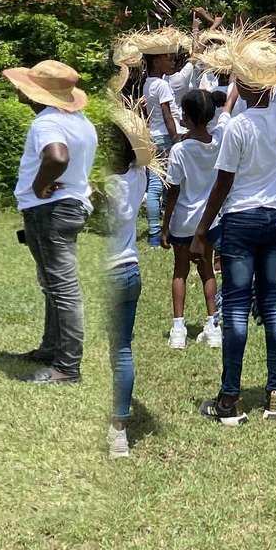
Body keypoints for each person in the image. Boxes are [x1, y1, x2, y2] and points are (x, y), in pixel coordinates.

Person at [193, 30, 276, 426]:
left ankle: (229, 398)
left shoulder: (236, 127)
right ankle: (275, 392)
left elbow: (222, 184)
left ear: (239, 83)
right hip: (274, 218)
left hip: (240, 220)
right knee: (273, 303)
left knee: (237, 306)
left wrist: (203, 229)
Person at [3, 59, 98, 386]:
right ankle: (51, 347)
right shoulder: (81, 121)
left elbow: (57, 157)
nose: (19, 92)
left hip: (52, 211)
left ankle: (67, 367)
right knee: (52, 284)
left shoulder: (46, 123)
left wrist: (39, 185)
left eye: (24, 88)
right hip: (68, 207)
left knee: (63, 288)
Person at [100, 102, 154, 459]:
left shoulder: (102, 187)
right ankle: (118, 427)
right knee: (122, 349)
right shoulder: (139, 177)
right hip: (130, 270)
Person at [159, 88, 221, 350]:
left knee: (180, 270)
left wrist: (165, 224)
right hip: (208, 220)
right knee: (207, 270)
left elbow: (172, 190)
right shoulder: (218, 142)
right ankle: (213, 326)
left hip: (183, 219)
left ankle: (178, 328)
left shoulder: (179, 151)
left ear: (188, 116)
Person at [138, 35, 183, 248]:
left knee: (156, 185)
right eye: (168, 58)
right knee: (159, 186)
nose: (172, 61)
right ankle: (156, 233)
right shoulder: (162, 86)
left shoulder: (149, 83)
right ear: (156, 61)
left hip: (153, 136)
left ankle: (157, 232)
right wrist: (176, 140)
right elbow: (167, 115)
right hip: (164, 138)